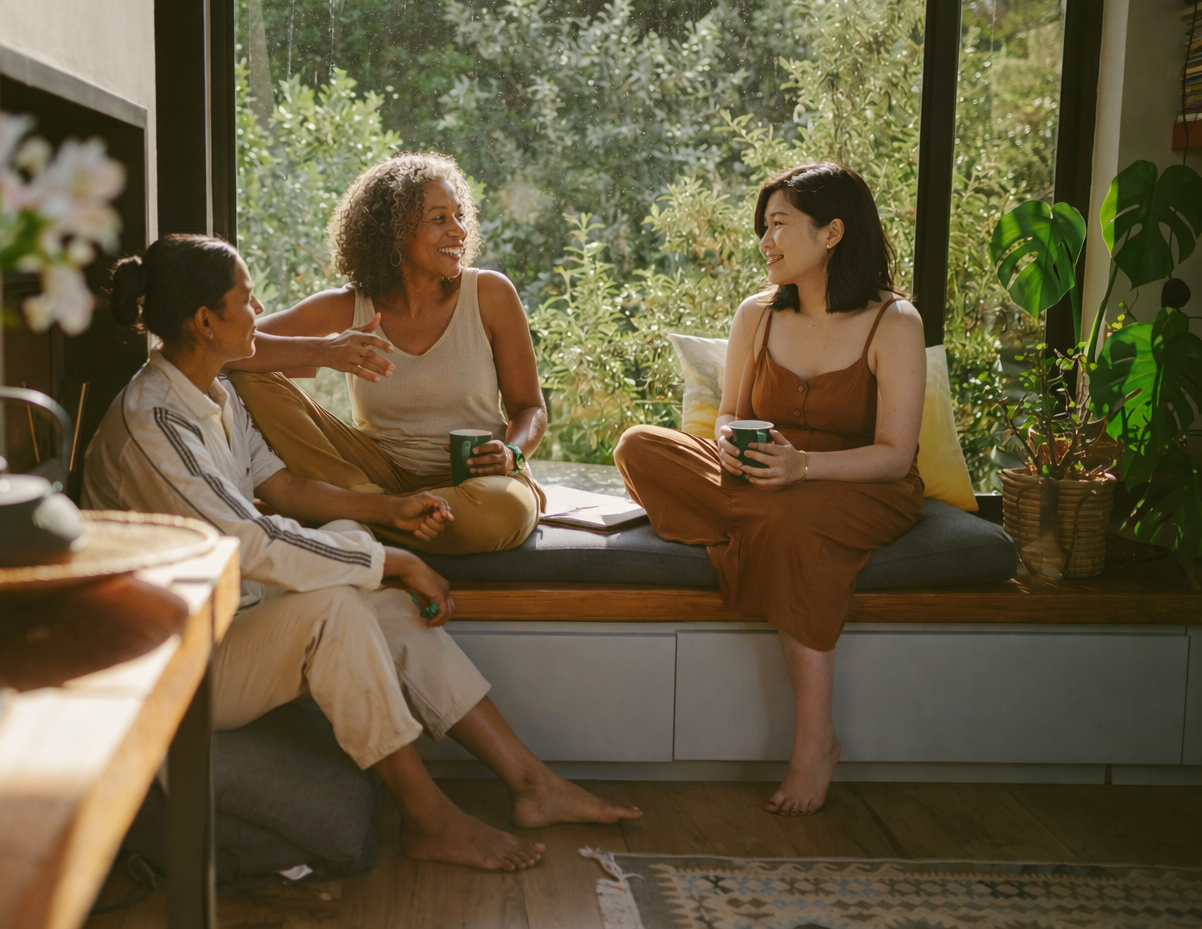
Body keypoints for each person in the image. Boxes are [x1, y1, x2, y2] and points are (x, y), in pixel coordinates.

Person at [81, 233, 640, 871]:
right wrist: (395, 558)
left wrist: (390, 511)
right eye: (246, 298)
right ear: (205, 322)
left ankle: (528, 781)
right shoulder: (156, 421)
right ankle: (427, 818)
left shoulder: (216, 393)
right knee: (338, 608)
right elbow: (252, 542)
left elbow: (282, 486)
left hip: (227, 625)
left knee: (369, 590)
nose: (260, 309)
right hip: (167, 667)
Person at [613, 162, 926, 816]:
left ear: (833, 232)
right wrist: (729, 439)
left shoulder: (894, 323)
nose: (765, 240)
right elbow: (730, 412)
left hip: (854, 483)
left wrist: (804, 467)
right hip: (762, 480)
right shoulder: (755, 314)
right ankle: (758, 526)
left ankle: (815, 742)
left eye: (779, 224)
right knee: (639, 446)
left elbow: (896, 457)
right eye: (765, 227)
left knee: (791, 521)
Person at [223, 152, 545, 554]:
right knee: (254, 377)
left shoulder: (490, 295)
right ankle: (381, 509)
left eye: (460, 216)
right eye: (440, 218)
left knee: (501, 512)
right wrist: (326, 351)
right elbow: (231, 349)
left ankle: (362, 516)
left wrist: (512, 454)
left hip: (476, 483)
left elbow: (530, 408)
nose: (459, 231)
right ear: (393, 231)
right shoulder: (348, 306)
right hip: (375, 475)